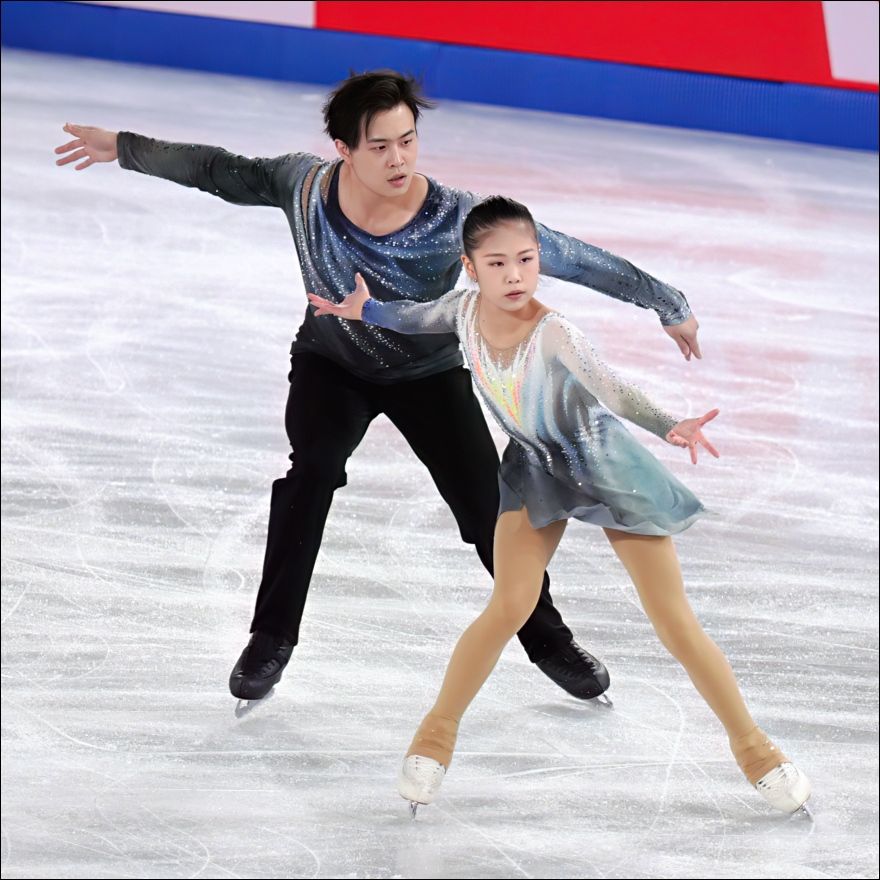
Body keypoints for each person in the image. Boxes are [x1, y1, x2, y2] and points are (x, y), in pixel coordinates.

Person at [54, 70, 703, 708]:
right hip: (330, 365)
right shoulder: (302, 185)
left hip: (427, 374)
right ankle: (269, 639)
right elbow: (216, 169)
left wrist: (664, 300)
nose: (399, 158)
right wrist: (124, 148)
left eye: (408, 140)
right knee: (309, 476)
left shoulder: (458, 217)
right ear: (343, 148)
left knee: (486, 511)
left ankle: (549, 643)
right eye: (380, 145)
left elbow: (565, 254)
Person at [307, 196, 812, 817]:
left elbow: (612, 388)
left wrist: (670, 424)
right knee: (510, 605)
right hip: (536, 470)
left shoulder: (556, 332)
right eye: (498, 264)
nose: (515, 275)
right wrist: (367, 309)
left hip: (605, 470)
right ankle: (434, 738)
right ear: (471, 268)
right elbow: (414, 318)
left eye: (525, 259)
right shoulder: (462, 311)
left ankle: (756, 749)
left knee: (672, 620)